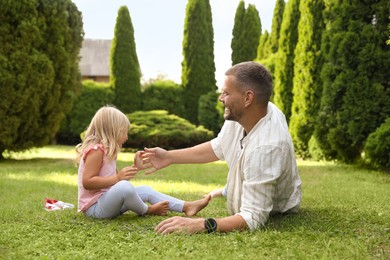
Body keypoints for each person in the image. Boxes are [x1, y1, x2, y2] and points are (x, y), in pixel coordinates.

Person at [141, 61, 302, 234]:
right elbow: (218, 147)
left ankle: (224, 191)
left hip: (278, 210)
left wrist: (201, 224)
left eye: (226, 93)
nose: (221, 98)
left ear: (248, 98)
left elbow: (253, 217)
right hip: (254, 171)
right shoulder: (247, 113)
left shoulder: (266, 148)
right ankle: (224, 191)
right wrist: (169, 157)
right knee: (234, 183)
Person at [76, 106, 210, 219]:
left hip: (107, 203)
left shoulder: (107, 152)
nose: (126, 137)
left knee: (145, 190)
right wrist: (118, 178)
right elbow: (87, 182)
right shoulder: (96, 151)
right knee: (124, 186)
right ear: (112, 131)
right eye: (124, 132)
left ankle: (186, 206)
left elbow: (113, 182)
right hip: (94, 209)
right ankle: (147, 210)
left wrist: (135, 167)